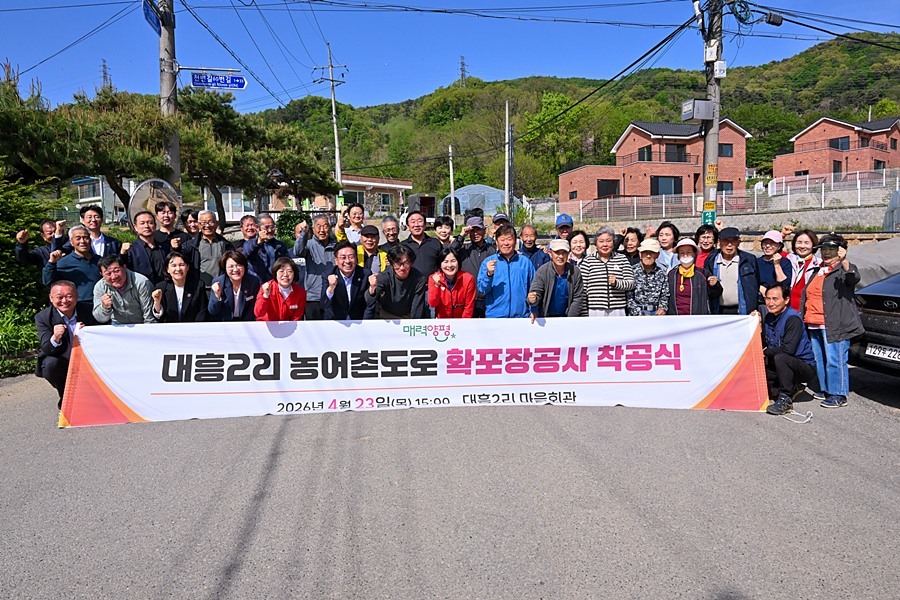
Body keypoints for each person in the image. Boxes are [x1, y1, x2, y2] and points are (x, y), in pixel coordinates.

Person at [800, 234, 865, 409]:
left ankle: (839, 393)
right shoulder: (818, 269)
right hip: (814, 321)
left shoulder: (844, 269)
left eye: (832, 249)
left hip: (835, 324)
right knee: (820, 358)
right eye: (824, 250)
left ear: (841, 251)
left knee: (835, 359)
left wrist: (845, 261)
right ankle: (826, 389)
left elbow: (854, 278)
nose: (827, 253)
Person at [760, 282, 818, 416]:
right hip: (780, 364)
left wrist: (764, 353)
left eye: (775, 299)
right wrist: (757, 325)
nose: (770, 303)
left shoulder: (792, 319)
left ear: (786, 300)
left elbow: (788, 349)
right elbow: (765, 342)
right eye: (768, 299)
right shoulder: (769, 316)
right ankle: (790, 387)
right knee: (761, 379)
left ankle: (786, 398)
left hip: (803, 366)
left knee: (781, 357)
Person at [35, 280, 96, 408]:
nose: (64, 301)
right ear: (51, 298)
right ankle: (66, 396)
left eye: (69, 296)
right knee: (51, 364)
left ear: (77, 296)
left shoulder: (90, 310)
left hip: (89, 356)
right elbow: (47, 348)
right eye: (59, 297)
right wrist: (56, 337)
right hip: (62, 358)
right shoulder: (43, 317)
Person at [477, 225, 535, 319]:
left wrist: (534, 309)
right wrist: (489, 275)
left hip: (521, 317)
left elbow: (534, 289)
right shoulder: (488, 262)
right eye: (502, 239)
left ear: (515, 241)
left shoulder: (525, 262)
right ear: (496, 242)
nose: (506, 243)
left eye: (509, 239)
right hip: (495, 318)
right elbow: (482, 289)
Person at [42, 225, 101, 312]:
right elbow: (47, 281)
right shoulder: (64, 262)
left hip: (100, 305)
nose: (82, 241)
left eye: (85, 238)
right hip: (77, 307)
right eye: (78, 238)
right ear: (71, 242)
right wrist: (51, 263)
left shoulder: (99, 260)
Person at [580, 226, 635, 317]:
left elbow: (631, 283)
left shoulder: (622, 259)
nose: (605, 245)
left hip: (618, 309)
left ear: (613, 243)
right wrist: (584, 313)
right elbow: (583, 290)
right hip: (595, 310)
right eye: (601, 241)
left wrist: (617, 283)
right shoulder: (588, 261)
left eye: (608, 241)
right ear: (596, 244)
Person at [704, 227, 759, 315]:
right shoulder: (711, 260)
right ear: (719, 242)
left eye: (733, 241)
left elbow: (756, 284)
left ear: (738, 242)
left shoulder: (748, 260)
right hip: (718, 310)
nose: (729, 245)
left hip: (742, 311)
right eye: (725, 241)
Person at [527, 239, 584, 321]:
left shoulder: (575, 272)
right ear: (550, 253)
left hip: (567, 317)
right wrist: (533, 299)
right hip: (546, 317)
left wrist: (570, 319)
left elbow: (578, 298)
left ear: (568, 254)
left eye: (564, 253)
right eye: (557, 252)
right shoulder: (542, 271)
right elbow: (536, 292)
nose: (560, 256)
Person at [291, 214, 335, 320]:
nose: (322, 230)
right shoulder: (309, 244)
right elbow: (297, 251)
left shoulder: (336, 246)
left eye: (325, 226)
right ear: (313, 229)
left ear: (329, 227)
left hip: (333, 295)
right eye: (318, 226)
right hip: (313, 297)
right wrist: (303, 234)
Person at [365, 245, 429, 319]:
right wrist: (372, 288)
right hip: (386, 314)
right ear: (391, 264)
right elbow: (369, 301)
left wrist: (413, 324)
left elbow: (417, 307)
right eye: (398, 263)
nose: (402, 268)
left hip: (407, 315)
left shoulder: (419, 279)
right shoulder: (384, 276)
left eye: (406, 263)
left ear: (411, 263)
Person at [451, 216, 496, 318]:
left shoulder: (492, 250)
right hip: (468, 299)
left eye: (478, 230)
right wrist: (461, 236)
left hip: (488, 299)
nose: (475, 234)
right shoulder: (464, 250)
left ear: (484, 230)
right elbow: (449, 252)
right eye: (472, 231)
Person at [92, 254, 155, 324]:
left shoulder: (141, 282)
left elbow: (149, 317)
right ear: (101, 274)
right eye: (108, 273)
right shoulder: (99, 287)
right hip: (118, 325)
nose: (114, 277)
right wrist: (105, 307)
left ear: (124, 267)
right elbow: (100, 318)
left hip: (141, 324)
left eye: (116, 271)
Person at [666, 239, 722, 316]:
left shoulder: (703, 274)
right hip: (675, 318)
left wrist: (715, 285)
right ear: (678, 256)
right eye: (682, 253)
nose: (685, 255)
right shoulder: (671, 275)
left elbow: (715, 294)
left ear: (694, 254)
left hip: (697, 319)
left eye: (688, 252)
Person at [151, 251, 208, 323]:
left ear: (187, 267)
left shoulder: (198, 286)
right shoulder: (161, 287)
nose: (178, 269)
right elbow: (160, 317)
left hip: (193, 330)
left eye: (181, 265)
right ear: (167, 269)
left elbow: (202, 313)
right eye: (174, 265)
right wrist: (157, 302)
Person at [182, 210, 234, 288]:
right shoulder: (190, 246)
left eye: (211, 222)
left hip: (222, 287)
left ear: (216, 223)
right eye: (203, 222)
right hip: (200, 288)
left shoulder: (226, 245)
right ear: (199, 225)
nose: (207, 225)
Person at [324, 241, 372, 321]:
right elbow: (324, 303)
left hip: (359, 321)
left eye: (351, 257)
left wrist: (366, 323)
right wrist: (331, 288)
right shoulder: (328, 275)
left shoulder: (365, 274)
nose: (347, 261)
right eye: (343, 257)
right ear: (336, 260)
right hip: (335, 321)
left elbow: (369, 304)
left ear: (356, 258)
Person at [207, 250, 261, 322]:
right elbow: (213, 311)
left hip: (246, 323)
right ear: (225, 268)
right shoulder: (219, 282)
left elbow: (252, 309)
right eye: (231, 266)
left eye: (239, 265)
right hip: (224, 323)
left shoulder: (253, 282)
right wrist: (217, 296)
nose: (235, 270)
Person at [122, 210, 170, 285]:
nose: (146, 226)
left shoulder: (165, 247)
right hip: (141, 291)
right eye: (142, 223)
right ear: (135, 227)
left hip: (164, 290)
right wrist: (122, 254)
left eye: (150, 223)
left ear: (155, 225)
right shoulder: (131, 250)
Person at [254, 257, 307, 321]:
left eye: (289, 271)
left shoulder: (300, 292)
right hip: (266, 327)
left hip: (289, 327)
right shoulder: (266, 287)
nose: (285, 275)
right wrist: (265, 296)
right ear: (275, 273)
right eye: (281, 271)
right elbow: (258, 313)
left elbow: (297, 316)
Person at [428, 247, 476, 318]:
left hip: (462, 321)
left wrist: (464, 325)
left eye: (453, 261)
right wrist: (436, 285)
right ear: (440, 264)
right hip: (443, 323)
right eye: (446, 261)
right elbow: (433, 304)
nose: (450, 265)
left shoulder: (468, 279)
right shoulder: (433, 278)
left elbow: (469, 307)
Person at [626, 238, 669, 316]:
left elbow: (665, 295)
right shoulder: (632, 271)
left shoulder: (662, 273)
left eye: (652, 253)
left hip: (656, 314)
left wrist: (662, 308)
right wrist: (640, 313)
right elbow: (629, 298)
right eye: (645, 252)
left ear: (657, 255)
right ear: (640, 254)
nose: (648, 256)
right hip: (636, 315)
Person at [242, 213, 289, 283]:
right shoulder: (250, 243)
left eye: (272, 227)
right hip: (256, 283)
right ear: (257, 228)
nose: (270, 230)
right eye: (266, 227)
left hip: (276, 283)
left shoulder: (280, 245)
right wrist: (258, 242)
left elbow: (287, 263)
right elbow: (245, 254)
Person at [786, 229, 820, 311]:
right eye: (799, 242)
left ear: (813, 245)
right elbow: (775, 248)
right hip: (788, 308)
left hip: (809, 310)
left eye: (806, 243)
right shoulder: (788, 259)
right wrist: (783, 235)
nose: (802, 246)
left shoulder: (819, 264)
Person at [757, 230, 793, 308]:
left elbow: (784, 284)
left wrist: (777, 264)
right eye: (765, 243)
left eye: (772, 243)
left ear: (779, 246)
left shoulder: (785, 262)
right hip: (760, 303)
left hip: (778, 304)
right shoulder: (756, 262)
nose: (767, 246)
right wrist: (759, 287)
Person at [401, 210, 442, 277]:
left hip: (433, 285)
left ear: (425, 225)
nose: (416, 225)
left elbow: (443, 263)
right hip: (411, 286)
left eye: (420, 221)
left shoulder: (435, 243)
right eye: (413, 222)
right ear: (408, 226)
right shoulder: (402, 246)